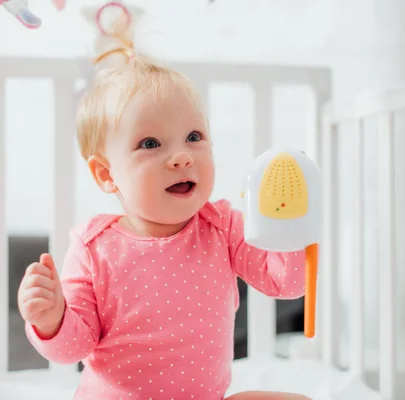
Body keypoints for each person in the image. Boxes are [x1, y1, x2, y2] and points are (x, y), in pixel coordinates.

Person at [17, 15, 311, 400]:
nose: (181, 157)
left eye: (194, 137)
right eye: (151, 144)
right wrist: (51, 319)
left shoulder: (221, 226)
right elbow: (74, 347)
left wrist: (285, 225)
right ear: (107, 174)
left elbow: (285, 283)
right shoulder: (93, 248)